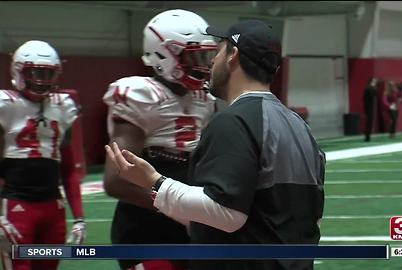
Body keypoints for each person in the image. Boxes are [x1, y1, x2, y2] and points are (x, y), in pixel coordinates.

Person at [105, 19, 325, 270]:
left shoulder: (235, 121)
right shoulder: (298, 125)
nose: (210, 61)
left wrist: (154, 182)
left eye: (217, 51)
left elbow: (226, 213)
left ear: (233, 55)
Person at [102, 9, 217, 270]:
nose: (204, 64)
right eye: (195, 56)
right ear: (163, 54)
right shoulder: (141, 95)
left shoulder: (204, 100)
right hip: (145, 229)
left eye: (206, 55)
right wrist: (180, 209)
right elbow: (116, 180)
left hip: (187, 225)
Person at [0, 40, 86, 269]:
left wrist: (79, 218)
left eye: (48, 73)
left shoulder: (64, 105)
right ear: (19, 72)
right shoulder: (5, 104)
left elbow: (69, 169)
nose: (42, 80)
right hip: (17, 205)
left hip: (53, 207)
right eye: (36, 72)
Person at [363, 77, 378, 142]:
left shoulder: (369, 88)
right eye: (374, 81)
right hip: (369, 107)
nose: (375, 82)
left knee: (370, 122)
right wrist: (374, 88)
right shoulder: (369, 88)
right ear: (371, 81)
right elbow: (374, 94)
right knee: (369, 122)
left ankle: (368, 136)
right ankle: (367, 137)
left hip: (370, 107)